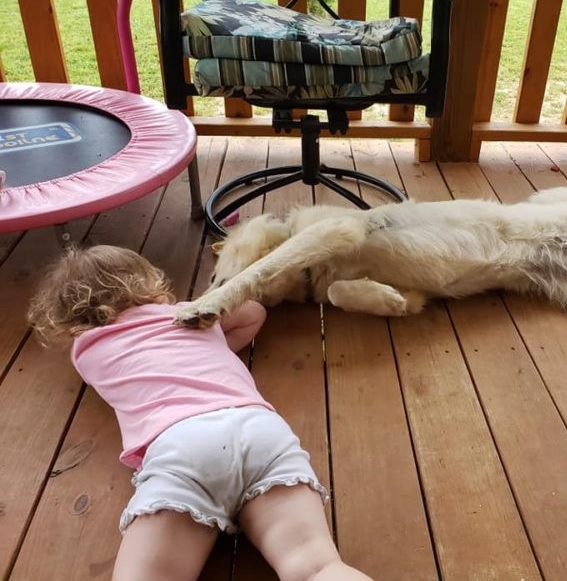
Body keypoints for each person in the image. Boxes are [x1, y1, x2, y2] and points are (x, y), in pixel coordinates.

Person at [28, 245, 371, 581]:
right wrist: (214, 345)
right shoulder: (191, 313)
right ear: (150, 283)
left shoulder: (87, 349)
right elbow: (254, 312)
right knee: (317, 566)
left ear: (69, 321)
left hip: (182, 448)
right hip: (259, 430)